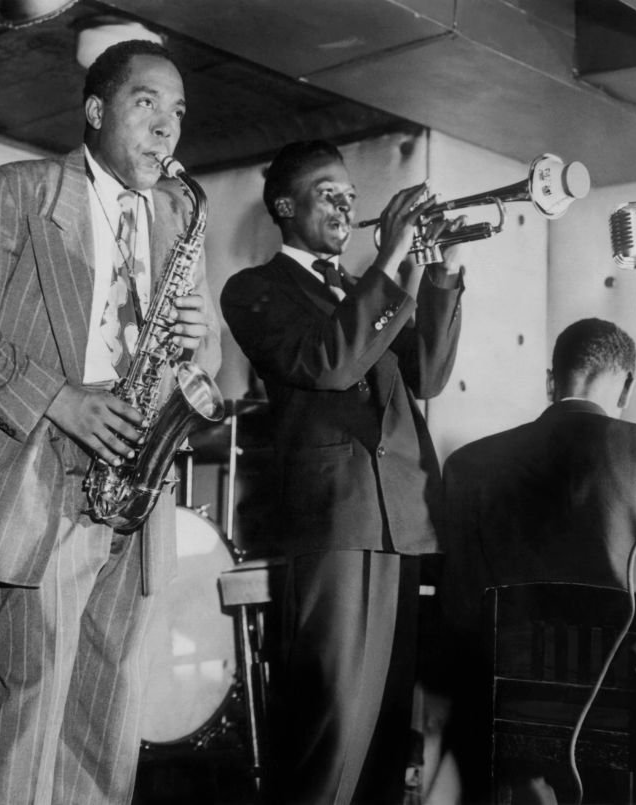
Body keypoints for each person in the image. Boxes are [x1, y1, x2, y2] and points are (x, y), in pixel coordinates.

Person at [0, 40, 221, 805]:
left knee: (104, 725)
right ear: (96, 109)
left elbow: (200, 367)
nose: (166, 128)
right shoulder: (16, 189)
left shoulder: (182, 215)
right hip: (35, 479)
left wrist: (195, 336)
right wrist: (58, 397)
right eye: (146, 103)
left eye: (177, 112)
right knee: (24, 717)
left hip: (135, 495)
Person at [220, 139, 467, 804]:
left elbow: (429, 375)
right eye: (329, 193)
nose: (346, 205)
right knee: (329, 733)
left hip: (402, 519)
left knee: (388, 736)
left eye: (351, 198)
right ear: (284, 205)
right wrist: (390, 259)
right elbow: (330, 364)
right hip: (334, 518)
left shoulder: (365, 291)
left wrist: (441, 271)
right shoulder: (255, 290)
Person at [441, 317, 636, 803]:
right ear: (625, 384)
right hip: (633, 711)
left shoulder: (469, 466)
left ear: (551, 380)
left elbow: (459, 609)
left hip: (511, 707)